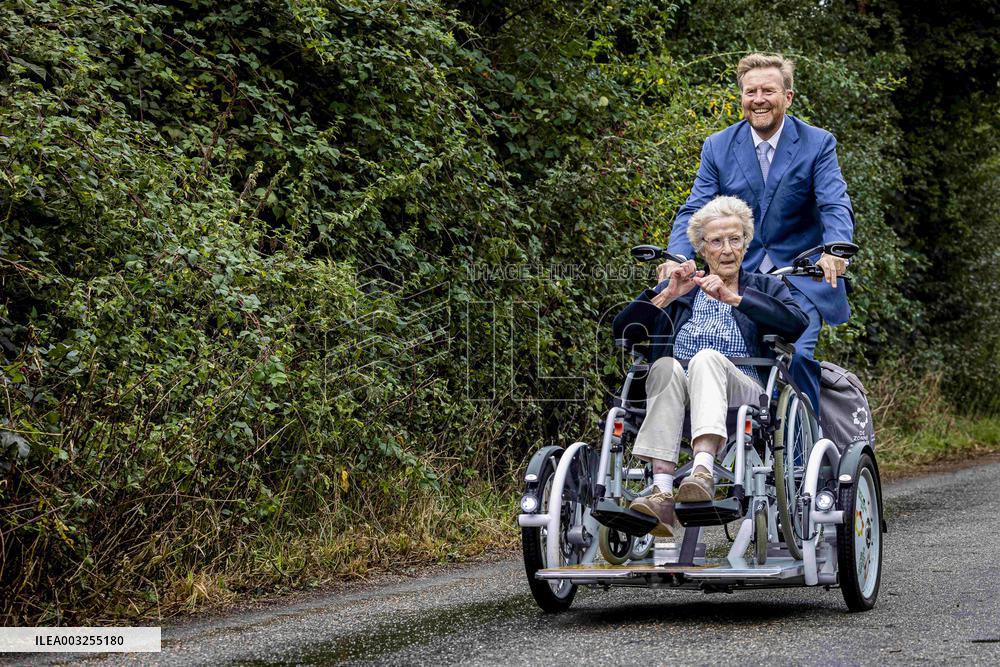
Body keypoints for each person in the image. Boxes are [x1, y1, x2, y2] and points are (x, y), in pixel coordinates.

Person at [664, 53, 854, 411]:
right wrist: (677, 256)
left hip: (798, 279)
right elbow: (695, 209)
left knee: (796, 359)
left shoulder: (817, 143)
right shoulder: (718, 146)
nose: (759, 99)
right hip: (739, 277)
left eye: (768, 91)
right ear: (742, 97)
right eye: (751, 92)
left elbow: (834, 203)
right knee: (728, 359)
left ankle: (804, 441)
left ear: (788, 97)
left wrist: (835, 249)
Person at [612, 196, 808, 536]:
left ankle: (702, 472)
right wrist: (668, 295)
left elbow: (795, 323)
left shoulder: (765, 287)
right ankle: (661, 491)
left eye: (735, 239)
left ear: (746, 244)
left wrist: (736, 299)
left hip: (743, 392)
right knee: (665, 367)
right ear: (702, 248)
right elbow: (624, 332)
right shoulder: (682, 290)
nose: (727, 250)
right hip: (679, 394)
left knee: (706, 359)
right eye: (717, 241)